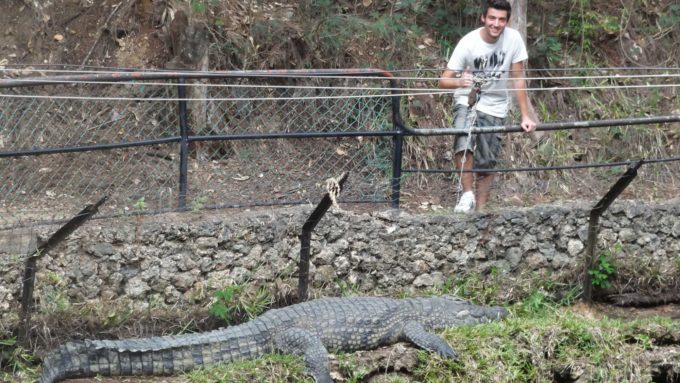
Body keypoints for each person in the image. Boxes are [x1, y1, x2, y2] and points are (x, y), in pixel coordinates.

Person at [439, 0, 536, 213]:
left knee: (487, 160)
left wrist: (525, 116)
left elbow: (518, 78)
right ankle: (466, 195)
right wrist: (460, 82)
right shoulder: (468, 43)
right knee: (462, 141)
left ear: (507, 21)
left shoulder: (514, 39)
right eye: (492, 18)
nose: (496, 24)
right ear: (483, 18)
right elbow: (443, 81)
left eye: (501, 19)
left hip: (496, 105)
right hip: (468, 99)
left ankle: (480, 210)